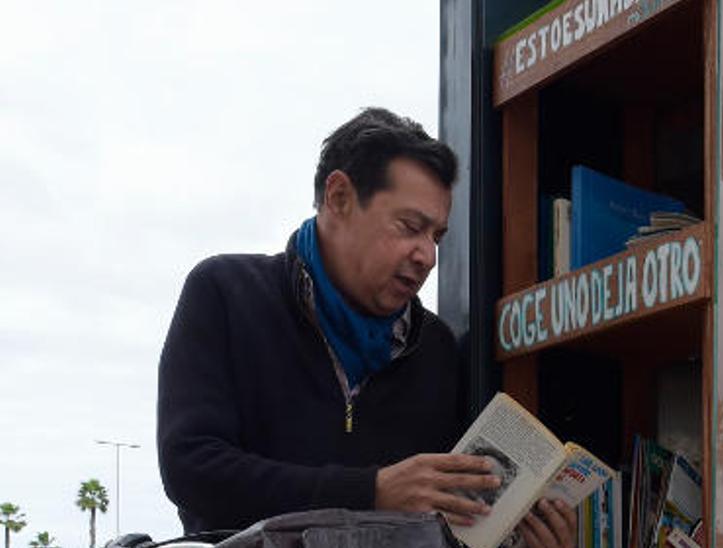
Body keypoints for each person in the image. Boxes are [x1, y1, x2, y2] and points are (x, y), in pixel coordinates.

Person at [157, 107, 577, 548]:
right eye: (410, 227)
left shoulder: (436, 349)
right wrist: (371, 491)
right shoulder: (226, 292)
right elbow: (192, 469)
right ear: (339, 197)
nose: (427, 256)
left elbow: (446, 526)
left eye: (437, 236)